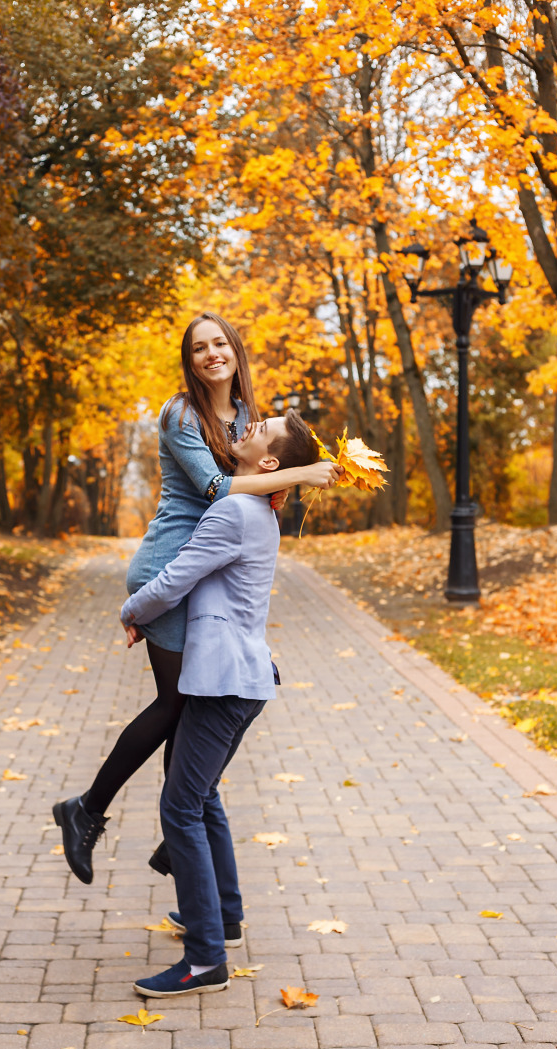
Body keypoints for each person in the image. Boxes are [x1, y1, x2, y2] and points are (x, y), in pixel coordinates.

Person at [53, 314, 341, 884]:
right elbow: (215, 489)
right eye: (199, 348)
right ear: (190, 360)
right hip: (171, 565)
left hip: (204, 572)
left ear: (235, 351)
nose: (211, 354)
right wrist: (304, 472)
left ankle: (176, 833)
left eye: (219, 344)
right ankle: (90, 809)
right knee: (177, 705)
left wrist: (288, 482)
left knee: (198, 713)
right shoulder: (181, 413)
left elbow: (262, 495)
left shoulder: (248, 421)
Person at [119, 408, 319, 997]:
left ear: (270, 463)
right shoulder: (256, 510)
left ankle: (205, 960)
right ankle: (224, 917)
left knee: (180, 806)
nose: (247, 428)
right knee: (201, 797)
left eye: (260, 431)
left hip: (226, 683)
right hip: (243, 680)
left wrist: (132, 612)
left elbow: (177, 575)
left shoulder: (235, 511)